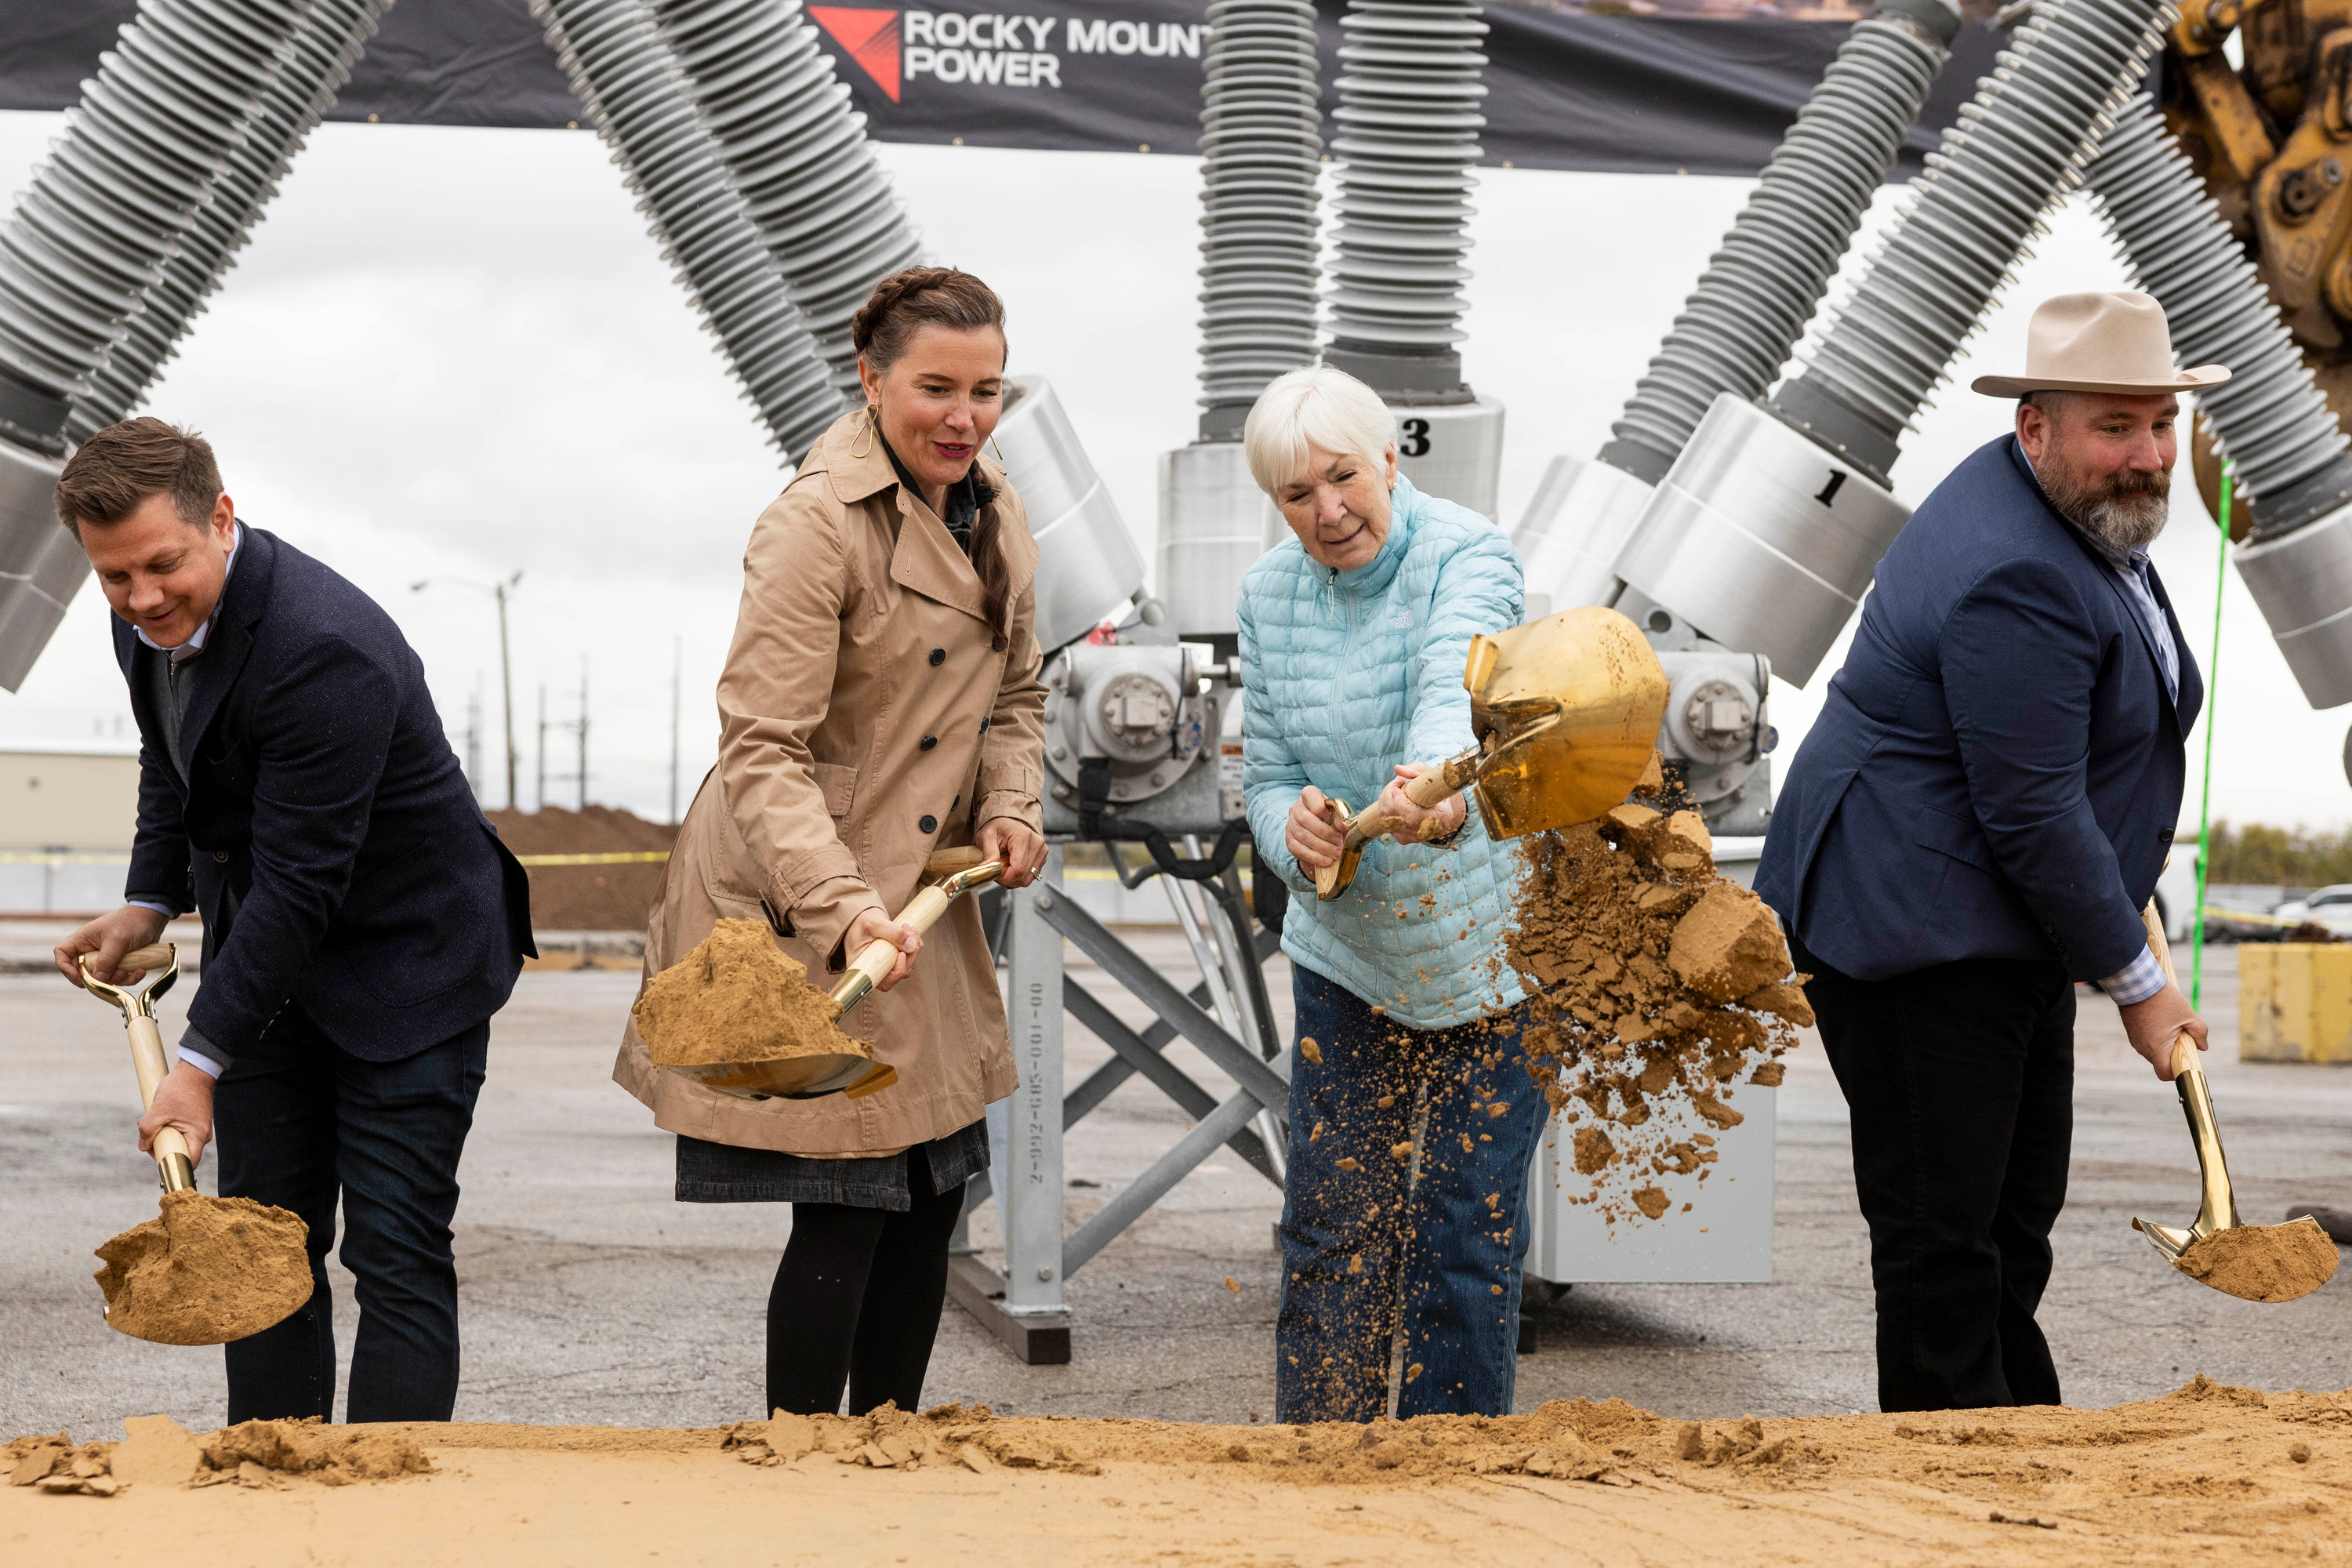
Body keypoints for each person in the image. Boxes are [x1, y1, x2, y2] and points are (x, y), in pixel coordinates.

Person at [1755, 291, 2218, 1413]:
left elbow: (2078, 769)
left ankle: (2020, 1439)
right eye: (2117, 426)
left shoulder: (2079, 511)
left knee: (2010, 1215)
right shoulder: (2016, 568)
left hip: (2001, 906)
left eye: (2161, 423)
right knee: (1942, 1234)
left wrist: (2127, 903)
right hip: (1911, 916)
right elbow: (2033, 808)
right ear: (2037, 427)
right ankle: (1949, 1485)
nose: (2148, 454)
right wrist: (2145, 990)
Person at [614, 267, 1048, 1419]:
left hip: (923, 898)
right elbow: (762, 748)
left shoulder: (997, 510)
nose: (964, 416)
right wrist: (845, 908)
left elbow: (1019, 699)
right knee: (848, 1195)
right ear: (871, 381)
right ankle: (802, 1472)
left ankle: (888, 1450)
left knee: (932, 1191)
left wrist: (1012, 808)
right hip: (801, 894)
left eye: (988, 390)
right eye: (936, 388)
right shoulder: (812, 525)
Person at [52, 418, 535, 1424]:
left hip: (412, 963)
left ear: (221, 519)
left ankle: (387, 1511)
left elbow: (303, 882)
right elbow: (169, 762)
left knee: (395, 1249)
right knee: (264, 1245)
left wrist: (197, 1063)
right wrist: (150, 897)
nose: (142, 598)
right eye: (114, 578)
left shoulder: (326, 648)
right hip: (274, 964)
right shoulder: (145, 619)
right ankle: (269, 1485)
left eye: (162, 566)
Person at [1236, 365, 1545, 1423]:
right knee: (1333, 1226)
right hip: (1349, 951)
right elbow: (1267, 769)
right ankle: (1319, 1469)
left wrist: (1436, 788)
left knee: (1465, 1230)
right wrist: (1295, 830)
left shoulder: (1469, 553)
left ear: (1388, 462)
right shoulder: (1268, 596)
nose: (1326, 512)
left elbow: (1451, 687)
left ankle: (1450, 1475)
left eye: (1342, 479)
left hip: (1489, 952)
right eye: (1295, 495)